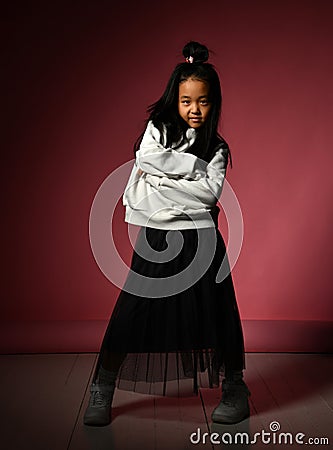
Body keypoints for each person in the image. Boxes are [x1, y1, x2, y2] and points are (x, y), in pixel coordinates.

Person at [83, 41, 250, 427]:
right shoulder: (156, 131)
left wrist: (162, 183)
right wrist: (189, 175)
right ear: (174, 99)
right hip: (159, 236)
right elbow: (147, 160)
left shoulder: (218, 149)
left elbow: (209, 193)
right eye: (186, 100)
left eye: (203, 102)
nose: (194, 109)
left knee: (218, 311)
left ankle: (235, 386)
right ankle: (102, 385)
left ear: (214, 103)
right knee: (133, 310)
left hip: (203, 238)